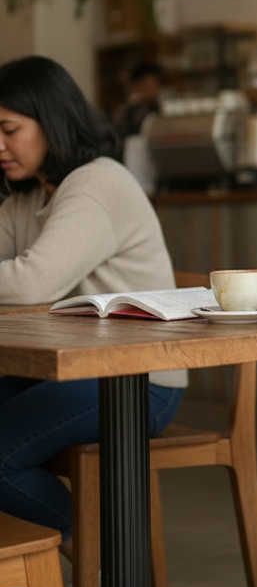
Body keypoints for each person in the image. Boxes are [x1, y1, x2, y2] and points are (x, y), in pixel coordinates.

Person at [0, 56, 185, 560]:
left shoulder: (98, 183)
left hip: (138, 381)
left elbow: (30, 282)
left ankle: (100, 563)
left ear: (51, 121)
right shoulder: (26, 196)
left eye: (9, 129)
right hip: (67, 370)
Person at [113, 61, 162, 140]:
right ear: (137, 86)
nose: (154, 90)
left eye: (155, 86)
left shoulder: (155, 106)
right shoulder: (132, 109)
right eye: (148, 86)